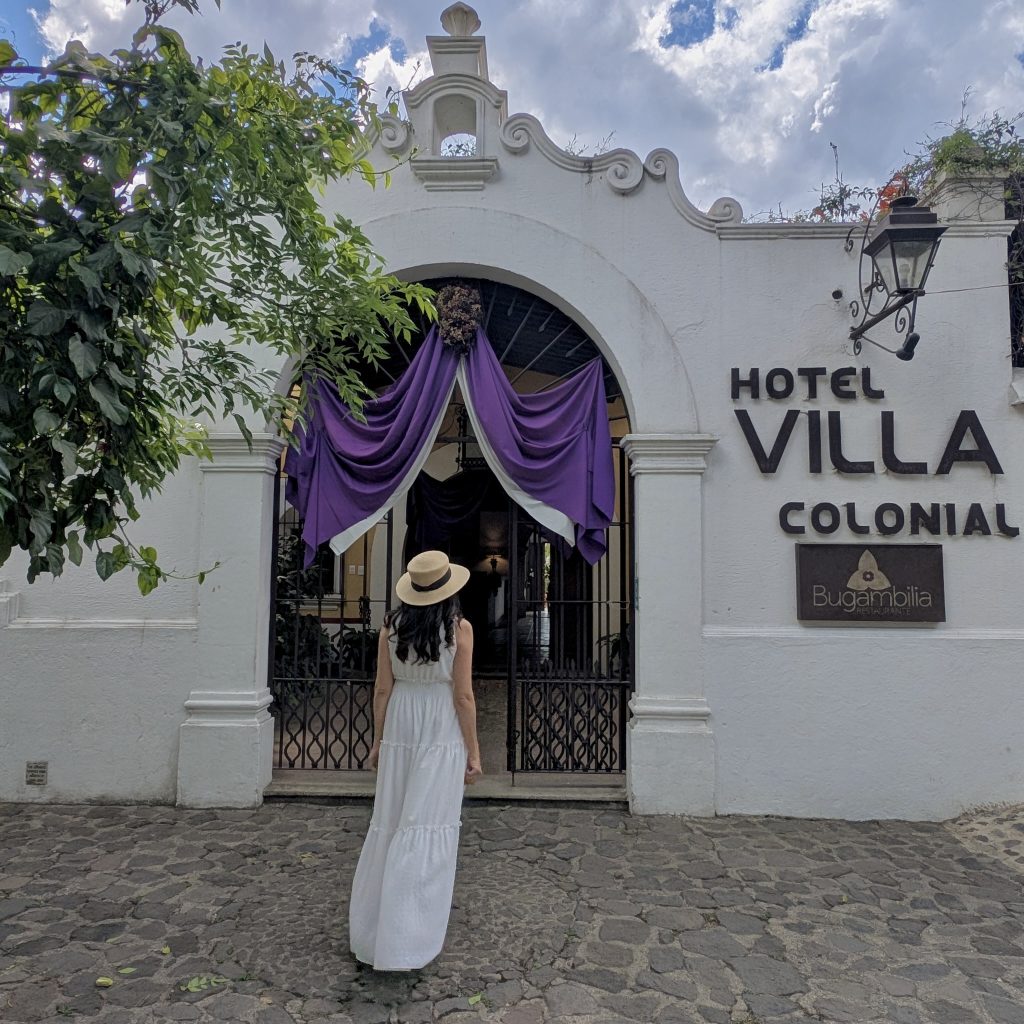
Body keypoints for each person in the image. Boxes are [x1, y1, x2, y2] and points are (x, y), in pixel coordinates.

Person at [348, 550, 483, 971]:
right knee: (427, 823)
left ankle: (375, 933)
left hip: (403, 723)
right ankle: (409, 935)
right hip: (439, 725)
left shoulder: (391, 627)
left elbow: (381, 690)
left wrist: (377, 740)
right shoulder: (459, 630)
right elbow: (463, 697)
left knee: (390, 822)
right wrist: (473, 751)